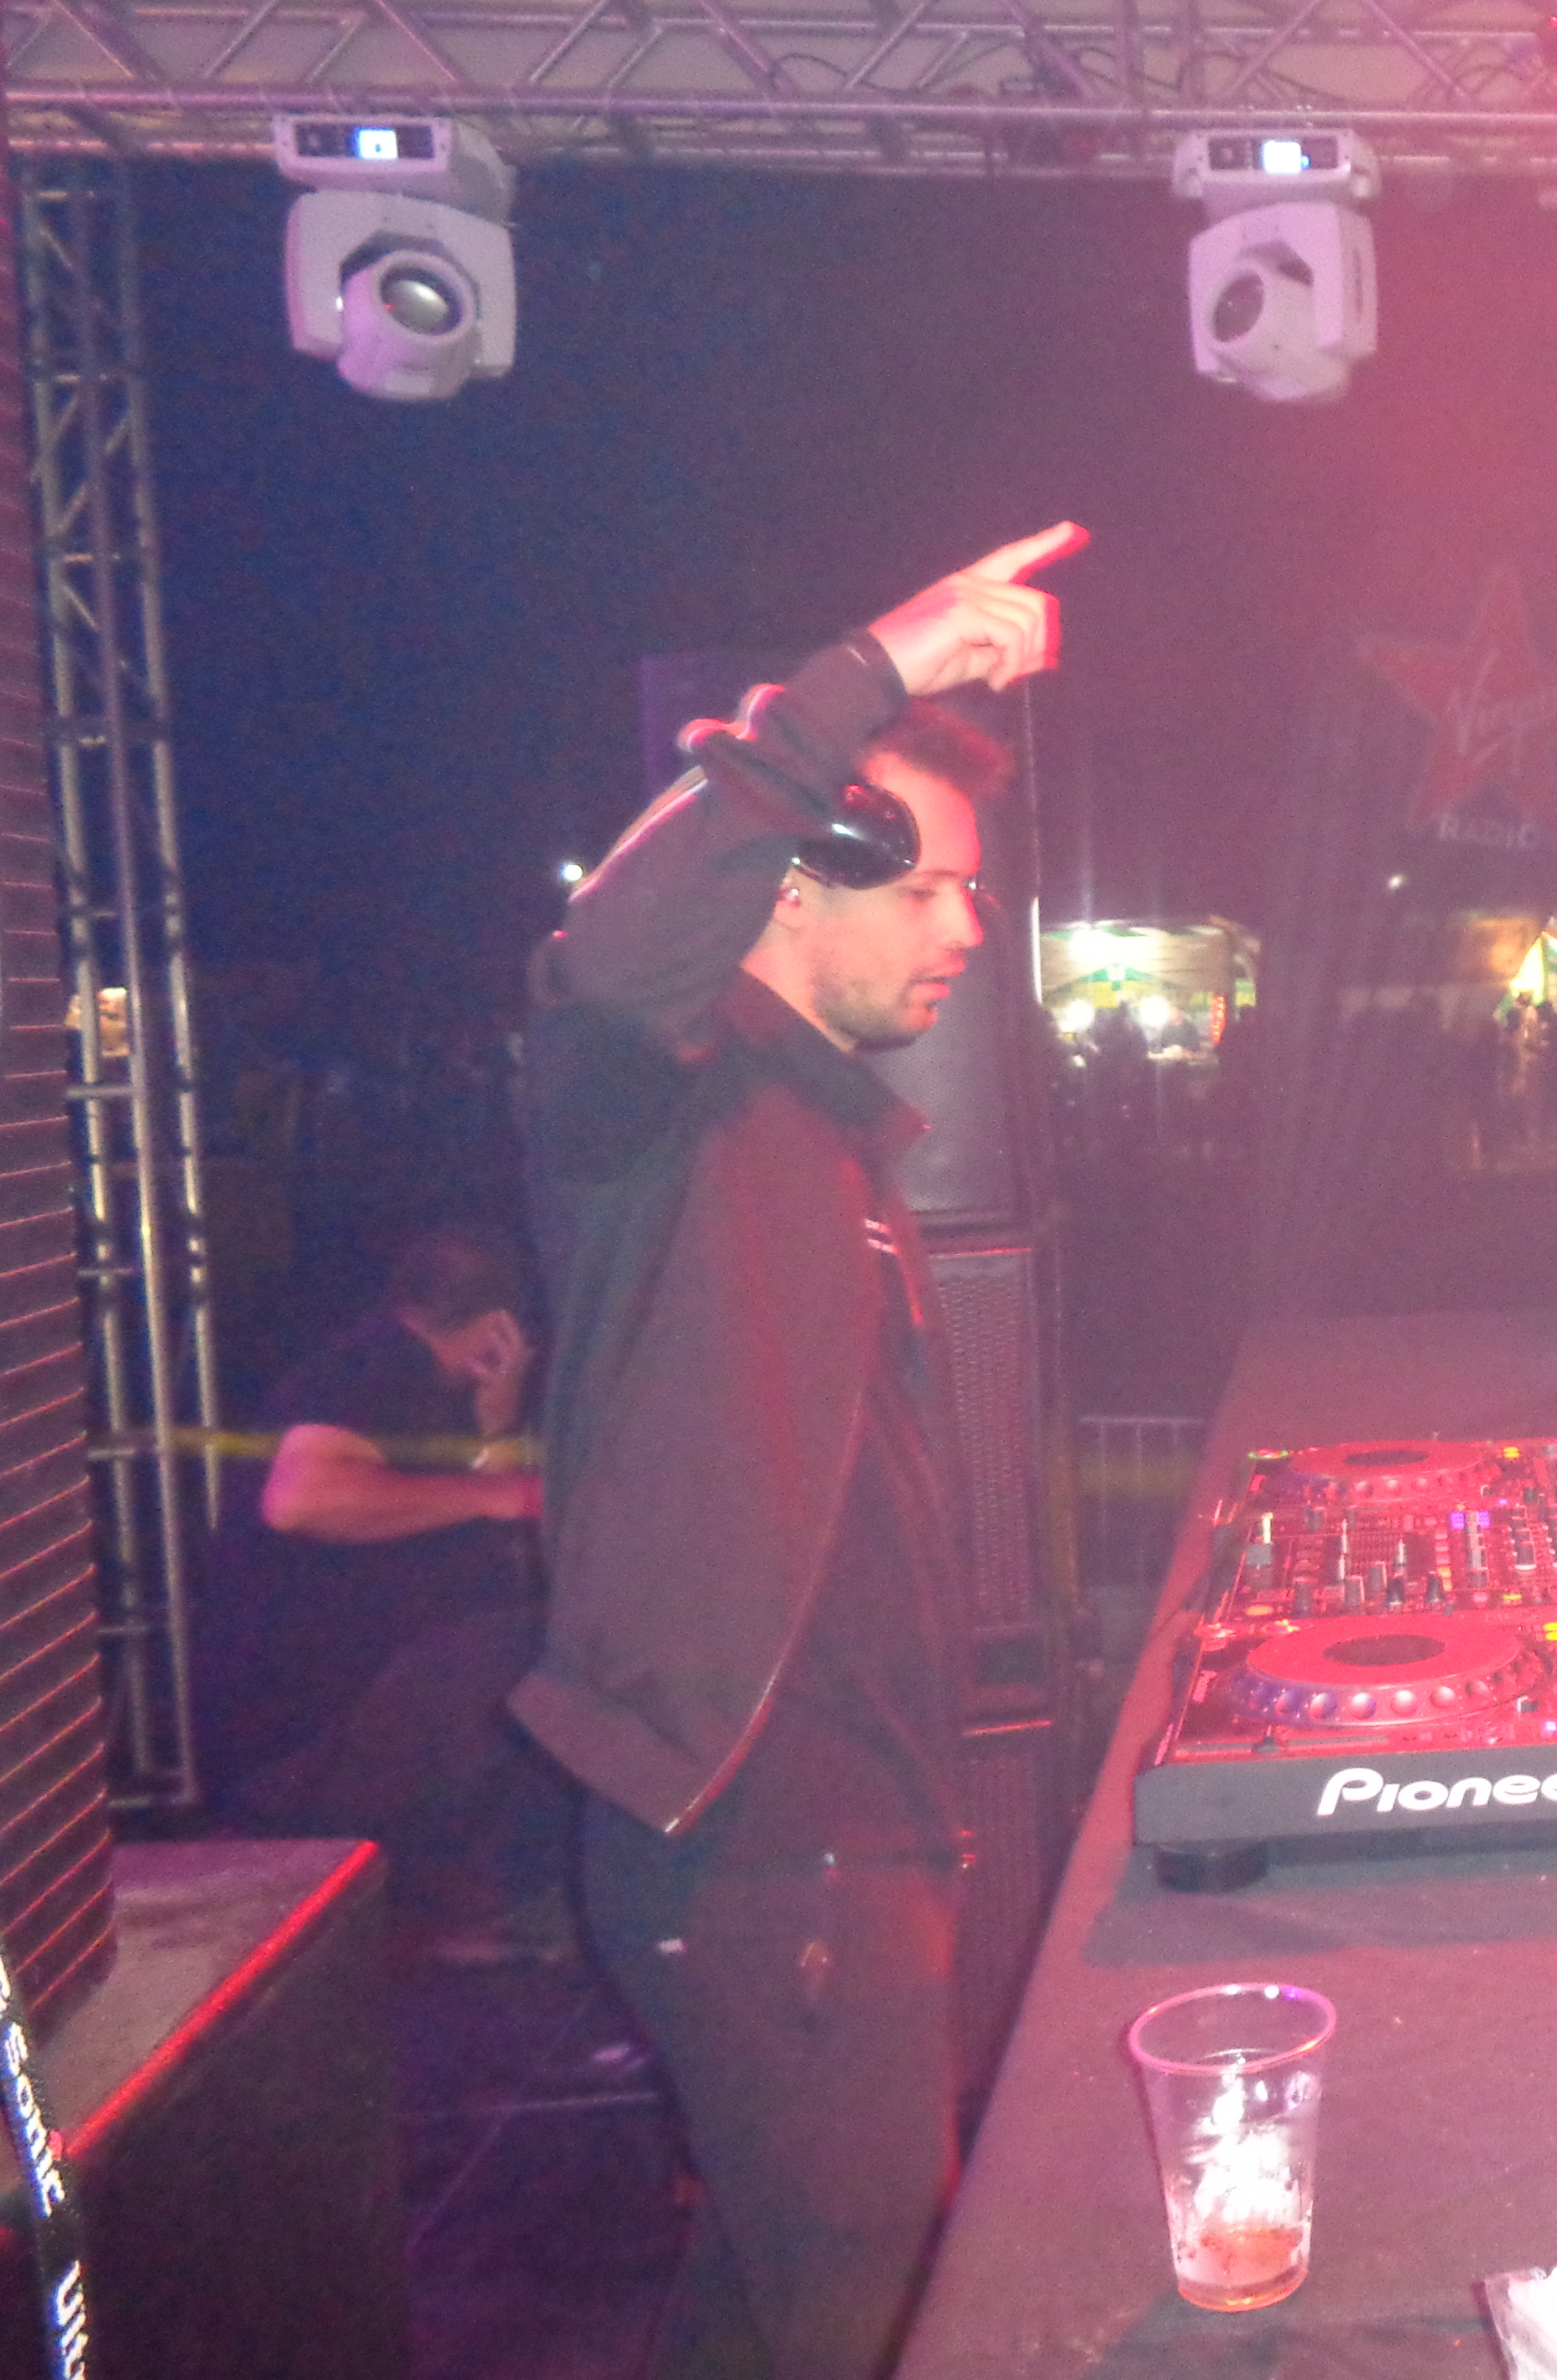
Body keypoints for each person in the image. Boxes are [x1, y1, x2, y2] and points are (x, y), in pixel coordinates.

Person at [512, 521, 1082, 2380]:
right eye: (924, 891)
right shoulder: (655, 1114)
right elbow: (615, 960)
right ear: (785, 896)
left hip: (853, 1826)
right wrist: (871, 675)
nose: (965, 929)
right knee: (868, 2304)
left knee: (775, 2312)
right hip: (763, 1842)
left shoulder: (827, 1137)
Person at [196, 1225, 561, 1957]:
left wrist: (494, 1429)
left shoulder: (419, 1386)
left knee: (514, 1639)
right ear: (500, 1326)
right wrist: (494, 1495)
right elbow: (299, 1501)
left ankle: (469, 1904)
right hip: (301, 1745)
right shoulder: (382, 1364)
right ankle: (495, 1905)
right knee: (544, 1653)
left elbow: (472, 1566)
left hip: (326, 1730)